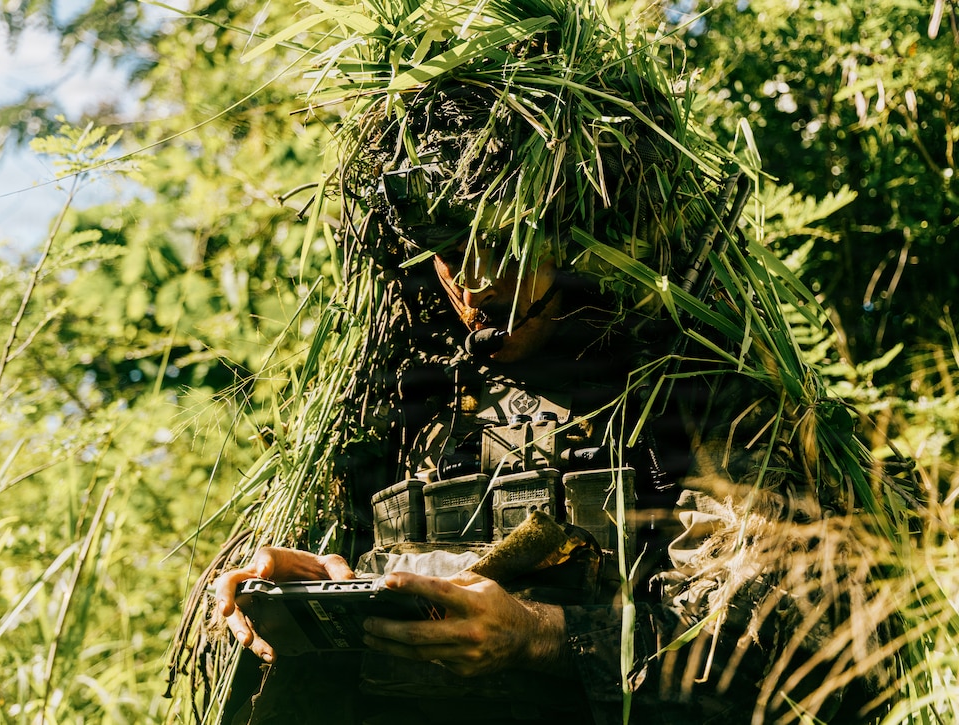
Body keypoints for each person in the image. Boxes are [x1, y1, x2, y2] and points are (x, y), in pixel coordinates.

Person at [167, 1, 900, 722]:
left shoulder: (688, 391)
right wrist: (313, 593)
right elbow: (353, 611)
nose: (478, 281)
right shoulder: (405, 398)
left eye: (508, 245)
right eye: (454, 253)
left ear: (583, 232)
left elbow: (768, 649)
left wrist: (543, 638)